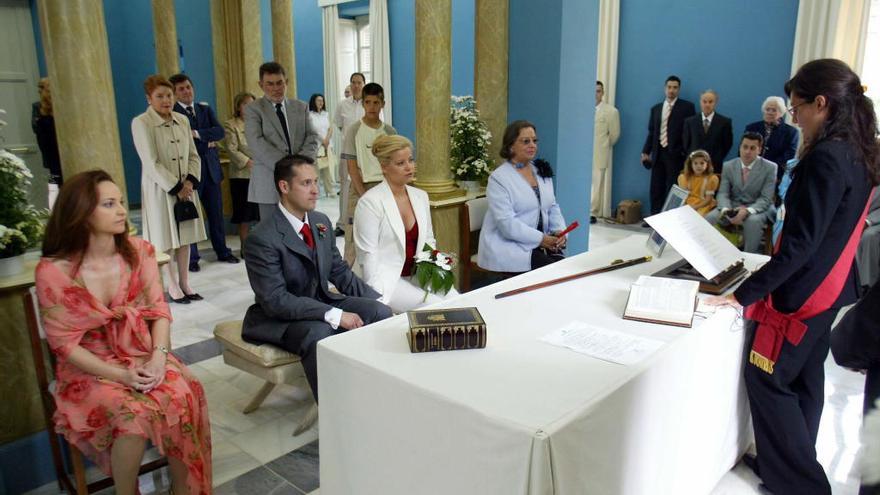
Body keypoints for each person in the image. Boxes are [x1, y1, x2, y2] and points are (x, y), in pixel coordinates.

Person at [708, 58, 879, 495]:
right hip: (832, 286)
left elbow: (801, 243)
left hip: (803, 293)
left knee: (767, 377)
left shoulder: (826, 157)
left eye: (797, 106)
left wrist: (745, 294)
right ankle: (783, 460)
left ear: (821, 104)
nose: (793, 115)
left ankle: (801, 483)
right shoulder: (859, 149)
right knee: (805, 378)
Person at [34, 170, 211, 495]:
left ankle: (184, 488)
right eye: (109, 203)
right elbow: (65, 345)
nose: (120, 210)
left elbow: (159, 311)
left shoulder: (138, 252)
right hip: (90, 366)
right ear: (81, 213)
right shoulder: (54, 271)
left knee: (184, 393)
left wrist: (159, 359)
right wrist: (121, 376)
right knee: (132, 417)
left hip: (142, 352)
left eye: (119, 201)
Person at [242, 155, 392, 401]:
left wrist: (377, 300)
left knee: (379, 313)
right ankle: (335, 409)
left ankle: (375, 391)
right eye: (306, 183)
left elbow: (339, 272)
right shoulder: (262, 237)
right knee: (319, 333)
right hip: (280, 318)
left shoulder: (320, 222)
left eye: (315, 182)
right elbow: (276, 300)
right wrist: (335, 315)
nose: (315, 190)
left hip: (320, 300)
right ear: (284, 186)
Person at [354, 135, 457, 312]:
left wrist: (436, 269)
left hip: (417, 274)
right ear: (384, 167)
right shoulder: (370, 203)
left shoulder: (420, 196)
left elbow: (429, 241)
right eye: (400, 163)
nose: (409, 167)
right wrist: (376, 298)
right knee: (434, 307)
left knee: (457, 301)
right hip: (387, 279)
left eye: (410, 160)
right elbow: (368, 257)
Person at [131, 75, 207, 304]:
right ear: (149, 98)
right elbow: (150, 161)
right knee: (166, 241)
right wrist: (176, 187)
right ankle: (172, 285)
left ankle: (185, 282)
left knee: (185, 238)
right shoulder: (141, 122)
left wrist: (190, 182)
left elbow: (194, 155)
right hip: (161, 191)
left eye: (169, 95)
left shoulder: (182, 120)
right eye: (160, 96)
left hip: (187, 188)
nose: (166, 100)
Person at [169, 73, 239, 272]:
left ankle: (222, 251)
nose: (186, 91)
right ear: (175, 94)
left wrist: (197, 133)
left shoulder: (204, 109)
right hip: (189, 174)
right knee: (190, 216)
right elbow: (182, 141)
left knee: (216, 213)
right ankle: (192, 259)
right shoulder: (173, 113)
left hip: (210, 170)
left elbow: (219, 132)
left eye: (188, 87)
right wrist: (203, 140)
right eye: (181, 89)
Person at [478, 120, 566, 273]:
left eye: (534, 140)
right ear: (511, 146)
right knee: (553, 273)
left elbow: (552, 207)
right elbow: (506, 224)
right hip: (509, 246)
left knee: (565, 270)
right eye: (526, 141)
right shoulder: (499, 178)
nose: (532, 145)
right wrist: (541, 239)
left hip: (540, 244)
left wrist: (560, 231)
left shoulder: (541, 171)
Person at [244, 61, 319, 220]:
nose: (276, 88)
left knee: (302, 231)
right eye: (269, 84)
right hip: (269, 182)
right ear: (261, 85)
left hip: (302, 182)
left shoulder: (301, 107)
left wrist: (300, 165)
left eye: (280, 83)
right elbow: (256, 142)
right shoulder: (253, 109)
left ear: (287, 82)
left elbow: (312, 137)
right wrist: (288, 167)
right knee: (273, 235)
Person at [341, 82, 396, 266]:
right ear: (363, 104)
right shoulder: (354, 130)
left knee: (384, 236)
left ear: (383, 104)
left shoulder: (389, 132)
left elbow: (394, 165)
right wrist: (364, 196)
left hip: (384, 189)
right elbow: (352, 167)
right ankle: (347, 284)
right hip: (360, 189)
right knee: (353, 238)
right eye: (368, 102)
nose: (372, 107)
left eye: (376, 102)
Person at [705, 132, 777, 253]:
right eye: (745, 147)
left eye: (752, 148)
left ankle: (749, 259)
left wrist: (746, 211)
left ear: (759, 150)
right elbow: (723, 193)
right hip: (733, 205)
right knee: (710, 217)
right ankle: (710, 254)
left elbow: (766, 198)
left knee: (752, 221)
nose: (747, 151)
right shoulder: (728, 166)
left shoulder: (770, 168)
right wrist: (727, 211)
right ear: (740, 147)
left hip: (759, 207)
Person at [641, 75, 696, 216]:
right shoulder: (656, 109)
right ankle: (654, 217)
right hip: (658, 152)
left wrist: (685, 152)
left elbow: (690, 132)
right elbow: (652, 132)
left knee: (673, 187)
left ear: (679, 89)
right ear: (665, 88)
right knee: (656, 187)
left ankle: (670, 218)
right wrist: (645, 151)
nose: (672, 90)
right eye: (669, 87)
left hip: (676, 154)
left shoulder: (687, 107)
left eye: (675, 88)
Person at [223, 91, 261, 250]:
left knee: (260, 212)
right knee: (244, 214)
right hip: (241, 175)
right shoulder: (231, 124)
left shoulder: (259, 123)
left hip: (261, 174)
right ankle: (245, 247)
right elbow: (231, 149)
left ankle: (260, 246)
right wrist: (248, 162)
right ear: (238, 107)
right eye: (245, 104)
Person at [334, 73, 367, 236]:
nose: (356, 86)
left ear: (363, 84)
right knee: (345, 186)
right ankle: (342, 223)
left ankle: (360, 221)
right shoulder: (342, 105)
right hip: (347, 152)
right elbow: (340, 127)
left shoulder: (368, 104)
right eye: (353, 82)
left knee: (362, 184)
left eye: (359, 83)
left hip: (364, 153)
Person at [745, 96, 800, 183]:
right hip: (750, 172)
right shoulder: (752, 128)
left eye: (774, 110)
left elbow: (788, 156)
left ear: (781, 113)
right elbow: (744, 149)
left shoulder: (791, 132)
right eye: (767, 109)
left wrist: (766, 169)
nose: (770, 112)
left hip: (774, 176)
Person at [682, 89, 733, 171]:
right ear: (700, 102)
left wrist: (717, 157)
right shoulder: (690, 122)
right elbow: (686, 144)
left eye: (710, 102)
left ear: (715, 102)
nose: (707, 105)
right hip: (694, 166)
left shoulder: (724, 122)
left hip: (714, 165)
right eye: (704, 102)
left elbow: (727, 144)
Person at [591, 80, 620, 223]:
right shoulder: (582, 108)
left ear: (602, 93)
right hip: (582, 154)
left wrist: (604, 145)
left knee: (596, 183)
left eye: (598, 91)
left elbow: (614, 134)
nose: (595, 94)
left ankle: (592, 212)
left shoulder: (611, 111)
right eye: (593, 90)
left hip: (599, 152)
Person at [308, 93, 336, 197]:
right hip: (316, 145)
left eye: (322, 101)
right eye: (318, 100)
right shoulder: (310, 115)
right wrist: (322, 140)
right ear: (313, 102)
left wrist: (327, 139)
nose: (321, 102)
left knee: (327, 168)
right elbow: (312, 129)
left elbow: (330, 128)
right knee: (316, 170)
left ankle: (330, 190)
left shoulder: (326, 114)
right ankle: (316, 191)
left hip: (327, 145)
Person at [677, 149, 718, 216]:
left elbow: (708, 200)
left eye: (702, 163)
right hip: (688, 204)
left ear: (707, 164)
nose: (699, 166)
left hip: (703, 204)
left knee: (698, 216)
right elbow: (683, 196)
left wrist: (695, 207)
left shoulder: (710, 179)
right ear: (691, 164)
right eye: (695, 163)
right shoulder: (684, 178)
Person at [857, 191, 880, 291]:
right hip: (859, 215)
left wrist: (868, 221)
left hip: (875, 220)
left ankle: (867, 284)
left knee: (869, 235)